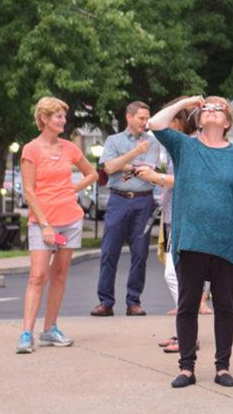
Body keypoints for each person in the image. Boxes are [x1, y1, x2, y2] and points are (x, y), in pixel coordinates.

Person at [149, 96, 233, 389]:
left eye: (217, 109)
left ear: (227, 122)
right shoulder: (185, 146)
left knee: (224, 307)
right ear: (197, 116)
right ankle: (186, 367)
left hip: (227, 241)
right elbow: (155, 123)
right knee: (187, 306)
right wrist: (187, 101)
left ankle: (222, 367)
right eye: (206, 108)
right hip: (191, 239)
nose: (210, 111)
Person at [16, 97, 99, 353]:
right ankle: (26, 333)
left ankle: (50, 329)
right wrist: (45, 225)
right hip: (44, 222)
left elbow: (92, 174)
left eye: (64, 115)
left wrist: (70, 190)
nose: (63, 120)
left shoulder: (70, 148)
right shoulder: (31, 149)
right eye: (58, 116)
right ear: (44, 119)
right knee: (38, 276)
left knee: (60, 275)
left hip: (71, 220)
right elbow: (29, 191)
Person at [132, 99, 199, 353]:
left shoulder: (191, 144)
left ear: (180, 121)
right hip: (173, 215)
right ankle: (185, 332)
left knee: (175, 275)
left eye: (172, 119)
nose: (167, 125)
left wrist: (156, 177)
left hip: (183, 217)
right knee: (175, 276)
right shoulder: (178, 146)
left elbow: (188, 179)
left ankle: (189, 335)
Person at [91, 101, 163, 317]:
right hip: (118, 200)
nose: (145, 123)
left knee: (140, 253)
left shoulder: (152, 142)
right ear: (129, 117)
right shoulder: (113, 140)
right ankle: (105, 302)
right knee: (109, 252)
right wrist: (134, 155)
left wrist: (122, 165)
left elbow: (148, 169)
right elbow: (109, 167)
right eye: (141, 118)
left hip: (143, 202)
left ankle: (133, 301)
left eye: (147, 119)